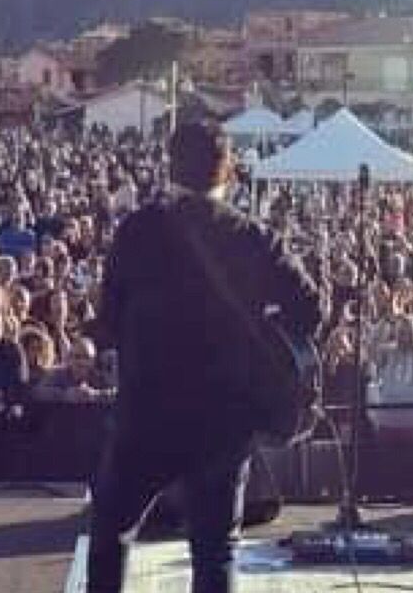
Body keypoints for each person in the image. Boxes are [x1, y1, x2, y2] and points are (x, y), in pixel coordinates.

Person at [85, 121, 322, 593]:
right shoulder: (253, 238)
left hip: (145, 414)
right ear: (229, 170)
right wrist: (262, 329)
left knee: (111, 534)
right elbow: (310, 310)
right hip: (224, 420)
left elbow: (108, 320)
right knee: (214, 553)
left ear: (170, 166)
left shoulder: (138, 230)